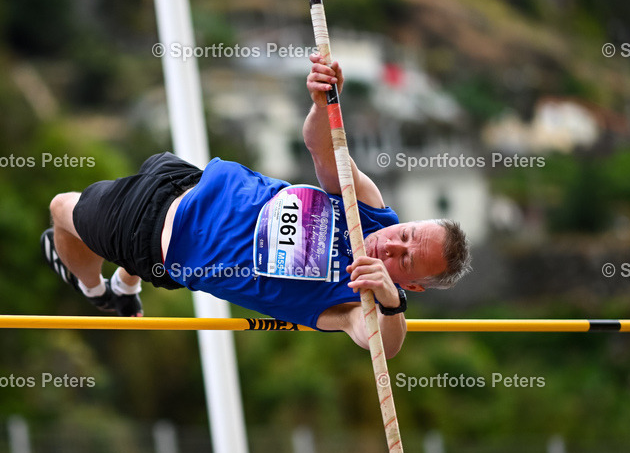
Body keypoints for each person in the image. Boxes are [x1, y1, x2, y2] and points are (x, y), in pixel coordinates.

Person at [42, 55, 470, 357]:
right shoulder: (371, 210)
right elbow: (322, 147)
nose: (393, 245)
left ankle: (94, 290)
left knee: (62, 208)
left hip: (149, 231)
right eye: (407, 235)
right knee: (103, 218)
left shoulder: (356, 304)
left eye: (408, 261)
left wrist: (389, 300)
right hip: (186, 177)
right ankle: (128, 284)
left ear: (411, 286)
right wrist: (324, 105)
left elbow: (384, 346)